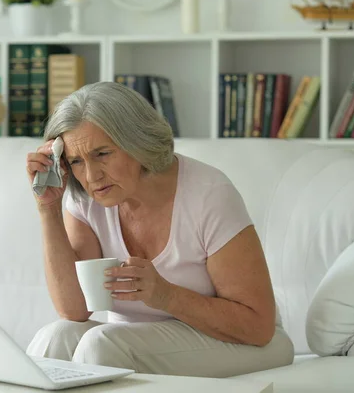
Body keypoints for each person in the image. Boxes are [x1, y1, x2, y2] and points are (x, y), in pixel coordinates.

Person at [24, 81, 294, 377]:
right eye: (76, 161)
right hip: (137, 343)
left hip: (245, 342)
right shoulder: (86, 199)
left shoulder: (208, 194)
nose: (91, 176)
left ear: (136, 143)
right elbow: (74, 310)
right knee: (55, 337)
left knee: (101, 345)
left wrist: (165, 294)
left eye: (102, 153)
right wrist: (48, 209)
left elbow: (258, 326)